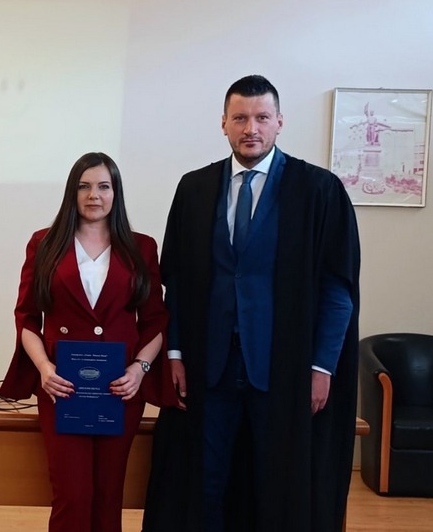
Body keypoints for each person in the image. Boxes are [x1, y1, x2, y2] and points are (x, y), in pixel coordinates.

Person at [142, 75, 361, 532]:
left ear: (280, 122)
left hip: (285, 369)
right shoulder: (195, 189)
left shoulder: (318, 191)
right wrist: (175, 352)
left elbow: (337, 290)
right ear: (223, 123)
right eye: (240, 118)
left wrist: (323, 366)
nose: (251, 128)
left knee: (277, 487)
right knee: (206, 483)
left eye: (262, 117)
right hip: (210, 367)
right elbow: (175, 280)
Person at [0, 152, 174, 532]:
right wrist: (44, 368)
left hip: (120, 390)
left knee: (109, 495)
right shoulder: (44, 243)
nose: (94, 195)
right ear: (72, 192)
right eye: (84, 186)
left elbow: (155, 321)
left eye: (103, 186)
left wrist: (140, 370)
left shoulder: (141, 247)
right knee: (72, 495)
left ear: (116, 193)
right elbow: (26, 318)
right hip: (62, 388)